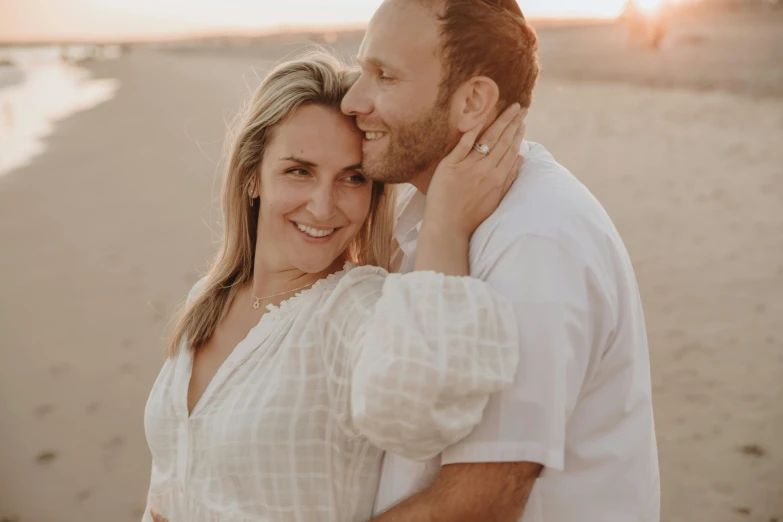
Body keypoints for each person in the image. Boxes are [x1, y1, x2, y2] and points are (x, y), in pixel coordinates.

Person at [143, 51, 527, 522]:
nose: (324, 208)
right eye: (299, 171)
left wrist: (444, 225)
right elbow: (170, 483)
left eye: (352, 178)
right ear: (252, 178)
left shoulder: (355, 307)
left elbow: (423, 415)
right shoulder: (207, 298)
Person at [340, 0, 660, 520]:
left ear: (472, 102)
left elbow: (476, 505)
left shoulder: (536, 240)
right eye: (362, 71)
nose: (354, 101)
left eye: (385, 76)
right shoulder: (436, 212)